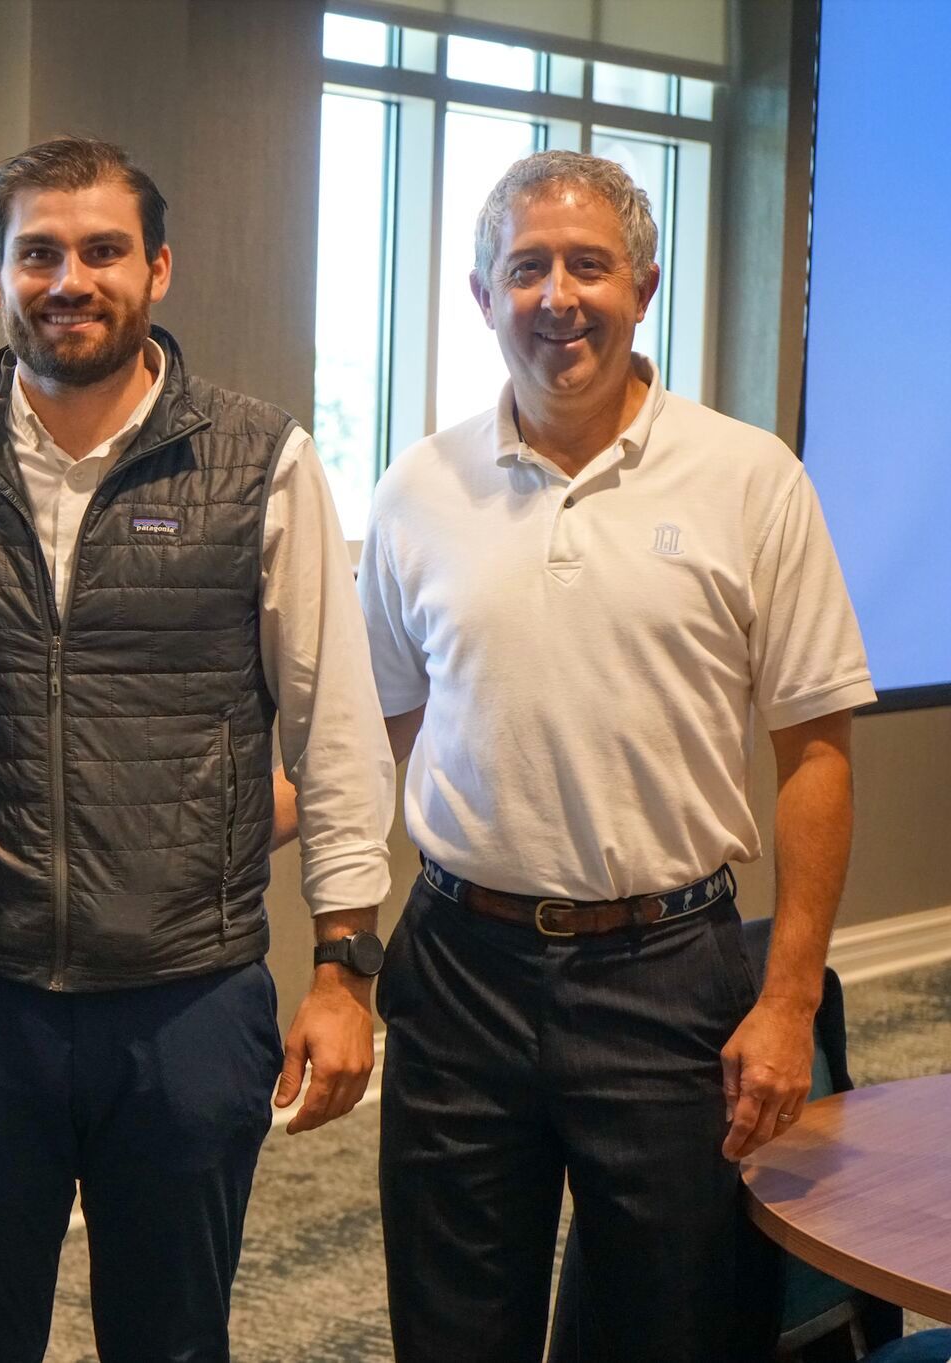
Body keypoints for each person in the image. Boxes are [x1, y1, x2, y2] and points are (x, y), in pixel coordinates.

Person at [0, 136, 396, 1360]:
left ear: (156, 270)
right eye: (37, 252)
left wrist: (343, 969)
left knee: (169, 1336)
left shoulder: (260, 458)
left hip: (185, 996)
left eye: (102, 250)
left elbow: (333, 726)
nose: (70, 279)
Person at [361, 150, 877, 1363]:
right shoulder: (414, 491)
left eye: (586, 266)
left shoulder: (750, 478)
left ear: (641, 286)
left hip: (665, 974)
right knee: (448, 1331)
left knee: (676, 1327)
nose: (556, 296)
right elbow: (383, 723)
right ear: (479, 295)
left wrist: (788, 995)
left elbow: (813, 753)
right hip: (456, 974)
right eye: (525, 267)